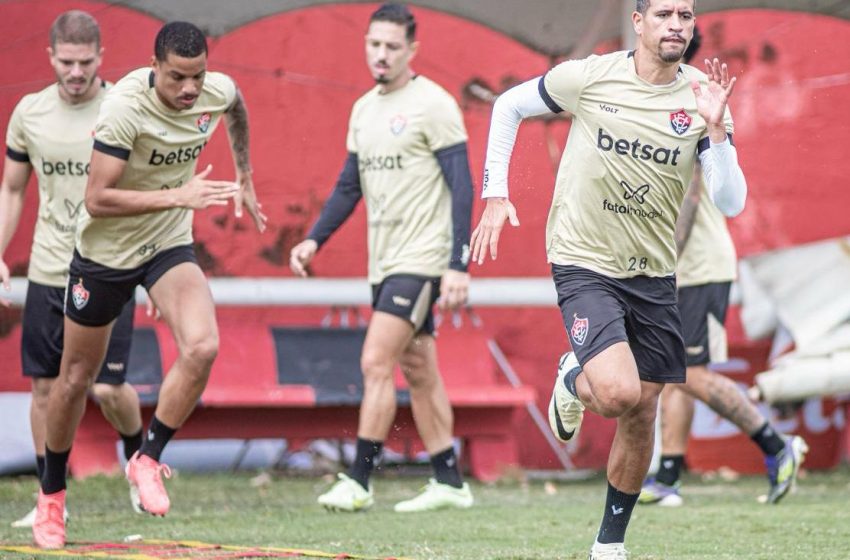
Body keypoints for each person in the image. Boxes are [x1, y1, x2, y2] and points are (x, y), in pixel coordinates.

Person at [471, 1, 747, 557]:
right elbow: (507, 107)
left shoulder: (702, 99)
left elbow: (730, 201)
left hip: (653, 273)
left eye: (686, 16)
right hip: (584, 259)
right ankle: (574, 379)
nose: (676, 24)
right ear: (638, 22)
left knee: (644, 407)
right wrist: (494, 193)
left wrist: (717, 134)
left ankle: (608, 546)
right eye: (664, 13)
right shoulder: (590, 76)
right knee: (619, 393)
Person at [32, 20, 266, 549]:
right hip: (105, 255)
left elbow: (237, 105)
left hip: (165, 246)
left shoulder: (214, 89)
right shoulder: (125, 109)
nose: (189, 90)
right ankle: (51, 498)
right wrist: (178, 196)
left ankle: (147, 458)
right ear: (154, 67)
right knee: (74, 379)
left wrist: (246, 174)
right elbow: (97, 199)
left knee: (203, 345)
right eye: (177, 78)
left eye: (197, 77)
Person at [290, 3, 474, 514]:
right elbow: (350, 186)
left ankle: (359, 480)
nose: (382, 54)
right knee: (419, 367)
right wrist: (314, 239)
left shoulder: (433, 104)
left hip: (422, 258)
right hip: (385, 261)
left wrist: (457, 264)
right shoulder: (364, 109)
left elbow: (462, 187)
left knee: (375, 361)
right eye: (374, 44)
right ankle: (450, 482)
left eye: (393, 46)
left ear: (411, 50)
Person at [639, 27, 807, 507]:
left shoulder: (691, 101)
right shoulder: (649, 99)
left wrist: (663, 261)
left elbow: (692, 194)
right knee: (675, 371)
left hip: (697, 267)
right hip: (682, 266)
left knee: (688, 374)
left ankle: (777, 447)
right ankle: (668, 477)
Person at [0, 10, 145, 529]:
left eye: (86, 62)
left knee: (106, 389)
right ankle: (48, 496)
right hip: (47, 270)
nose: (76, 71)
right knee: (45, 388)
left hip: (108, 267)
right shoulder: (30, 113)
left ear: (101, 58)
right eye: (67, 62)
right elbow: (13, 188)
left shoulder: (123, 109)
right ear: (51, 57)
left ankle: (139, 460)